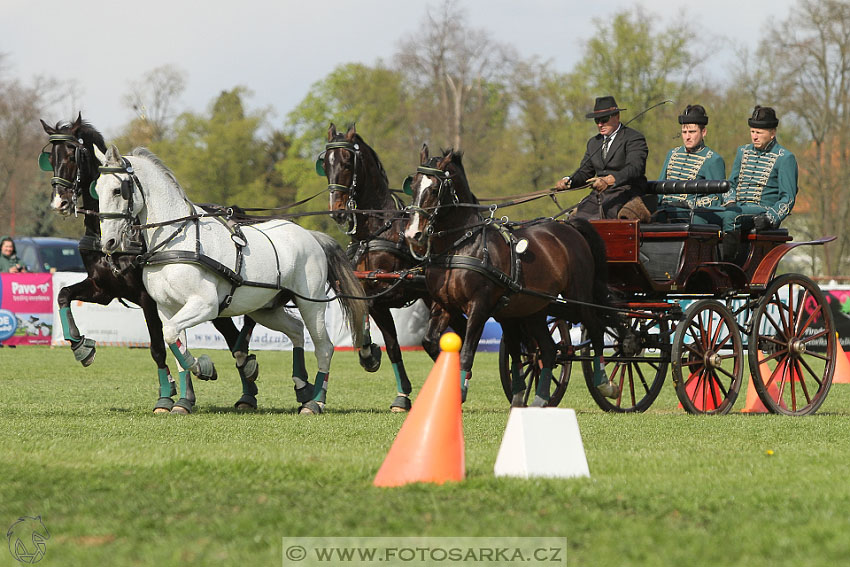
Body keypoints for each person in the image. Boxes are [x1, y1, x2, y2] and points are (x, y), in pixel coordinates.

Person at [694, 106, 798, 259]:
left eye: (759, 133)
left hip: (762, 209)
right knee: (699, 214)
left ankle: (727, 267)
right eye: (752, 132)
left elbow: (788, 197)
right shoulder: (742, 152)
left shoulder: (785, 158)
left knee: (731, 216)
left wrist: (770, 217)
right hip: (737, 208)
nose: (754, 136)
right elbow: (731, 184)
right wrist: (730, 201)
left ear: (772, 133)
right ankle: (703, 262)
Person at [556, 95, 651, 221]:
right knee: (577, 218)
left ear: (617, 116)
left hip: (626, 191)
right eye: (597, 121)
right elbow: (585, 171)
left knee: (606, 214)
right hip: (600, 194)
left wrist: (611, 179)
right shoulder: (593, 142)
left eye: (604, 119)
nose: (600, 124)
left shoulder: (633, 138)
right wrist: (569, 181)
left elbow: (635, 168)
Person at [656, 105, 726, 222]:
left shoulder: (713, 159)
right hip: (664, 209)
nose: (687, 137)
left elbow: (716, 198)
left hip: (689, 214)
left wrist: (688, 204)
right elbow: (659, 188)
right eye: (684, 132)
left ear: (703, 132)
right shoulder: (672, 154)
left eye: (692, 132)